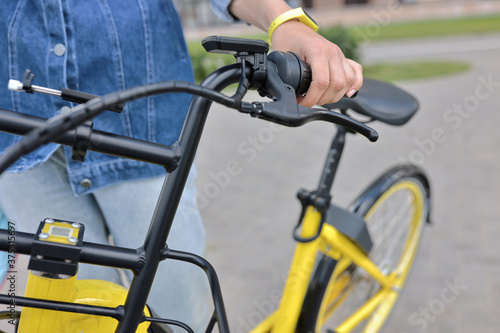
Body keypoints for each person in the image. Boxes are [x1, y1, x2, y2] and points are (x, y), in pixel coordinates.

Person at [0, 0, 362, 331]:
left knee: (179, 311)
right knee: (71, 316)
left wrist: (284, 21)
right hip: (18, 133)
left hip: (142, 124)